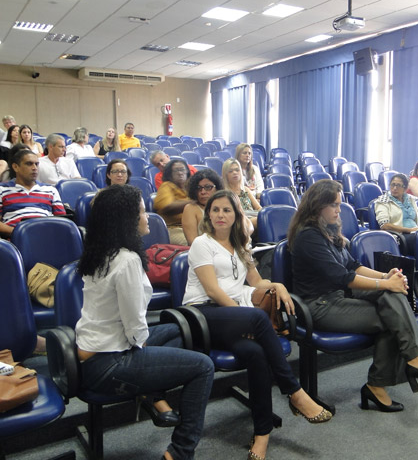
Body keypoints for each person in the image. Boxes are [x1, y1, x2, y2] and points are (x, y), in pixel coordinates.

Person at [183, 190, 332, 460]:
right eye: (215, 210)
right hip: (203, 315)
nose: (220, 215)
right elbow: (213, 292)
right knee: (258, 317)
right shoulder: (201, 244)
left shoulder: (241, 246)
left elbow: (256, 282)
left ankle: (262, 434)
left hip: (234, 316)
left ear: (236, 215)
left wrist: (277, 285)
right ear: (208, 215)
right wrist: (243, 318)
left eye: (226, 210)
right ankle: (294, 391)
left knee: (257, 353)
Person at [289, 180, 418, 413]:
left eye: (339, 204)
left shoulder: (328, 230)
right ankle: (390, 377)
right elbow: (343, 276)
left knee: (393, 297)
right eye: (334, 205)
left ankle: (408, 364)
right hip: (319, 306)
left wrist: (387, 277)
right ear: (317, 206)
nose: (339, 210)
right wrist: (385, 282)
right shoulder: (308, 236)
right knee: (393, 316)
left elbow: (354, 266)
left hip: (339, 296)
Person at [76, 184, 214, 460]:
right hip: (109, 362)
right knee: (203, 366)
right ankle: (180, 451)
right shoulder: (126, 261)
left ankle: (151, 394)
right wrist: (145, 346)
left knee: (178, 331)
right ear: (126, 220)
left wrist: (147, 344)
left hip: (95, 353)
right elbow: (135, 327)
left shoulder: (102, 252)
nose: (147, 216)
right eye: (141, 211)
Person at [0, 149, 66, 237]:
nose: (34, 168)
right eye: (29, 164)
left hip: (48, 235)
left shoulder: (50, 189)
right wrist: (22, 233)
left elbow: (62, 219)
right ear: (15, 167)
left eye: (36, 164)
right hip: (18, 238)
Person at [374, 173, 418, 256]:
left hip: (415, 232)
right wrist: (409, 230)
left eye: (399, 185)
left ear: (405, 188)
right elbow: (384, 225)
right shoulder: (383, 201)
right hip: (399, 236)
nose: (394, 188)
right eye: (393, 185)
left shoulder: (410, 199)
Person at [154, 159, 191, 245]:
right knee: (193, 244)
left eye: (182, 169)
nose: (180, 173)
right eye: (176, 170)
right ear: (170, 175)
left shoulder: (191, 187)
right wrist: (193, 203)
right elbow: (166, 207)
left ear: (187, 172)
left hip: (194, 227)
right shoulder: (166, 186)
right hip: (173, 229)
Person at [182, 169, 223, 245]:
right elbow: (193, 242)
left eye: (208, 187)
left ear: (217, 188)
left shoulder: (225, 205)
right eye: (198, 188)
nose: (203, 192)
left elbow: (246, 227)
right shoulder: (191, 209)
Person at [222, 158, 261, 230]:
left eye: (237, 170)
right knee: (259, 221)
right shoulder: (223, 193)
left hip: (252, 218)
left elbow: (258, 208)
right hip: (237, 222)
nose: (235, 173)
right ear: (226, 174)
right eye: (231, 171)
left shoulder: (245, 189)